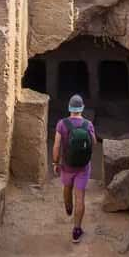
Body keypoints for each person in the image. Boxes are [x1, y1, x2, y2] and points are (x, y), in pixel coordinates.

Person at [52, 94, 96, 243]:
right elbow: (94, 143)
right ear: (82, 108)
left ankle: (68, 206)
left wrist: (55, 163)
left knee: (67, 187)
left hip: (66, 165)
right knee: (80, 197)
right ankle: (77, 230)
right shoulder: (88, 124)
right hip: (83, 167)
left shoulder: (62, 124)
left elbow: (57, 145)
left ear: (69, 108)